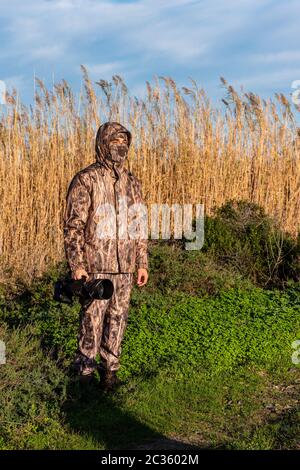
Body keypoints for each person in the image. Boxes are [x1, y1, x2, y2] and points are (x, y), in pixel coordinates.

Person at [63, 121, 149, 391]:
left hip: (125, 266)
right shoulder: (86, 179)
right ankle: (85, 374)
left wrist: (142, 262)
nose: (120, 148)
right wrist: (77, 265)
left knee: (119, 317)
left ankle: (109, 373)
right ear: (103, 143)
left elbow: (139, 225)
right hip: (95, 265)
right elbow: (74, 226)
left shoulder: (132, 183)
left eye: (124, 143)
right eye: (115, 142)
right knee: (92, 318)